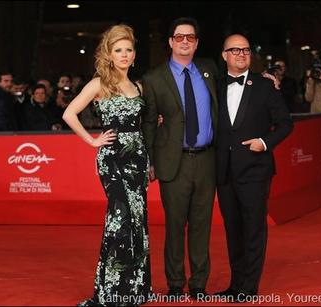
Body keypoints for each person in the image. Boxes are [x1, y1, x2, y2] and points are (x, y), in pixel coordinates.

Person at [62, 24, 152, 306]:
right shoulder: (100, 83)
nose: (124, 55)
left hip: (137, 160)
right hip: (113, 160)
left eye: (128, 50)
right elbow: (69, 113)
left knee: (137, 221)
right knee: (120, 221)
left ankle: (135, 288)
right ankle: (111, 292)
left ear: (134, 55)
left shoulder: (138, 86)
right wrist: (91, 140)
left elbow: (143, 124)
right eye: (118, 50)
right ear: (109, 55)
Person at [141, 17, 218, 299]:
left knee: (202, 225)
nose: (185, 41)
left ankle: (199, 284)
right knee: (174, 226)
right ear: (171, 42)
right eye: (179, 37)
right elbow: (149, 123)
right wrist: (149, 160)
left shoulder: (210, 70)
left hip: (207, 159)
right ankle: (175, 284)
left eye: (191, 37)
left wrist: (264, 77)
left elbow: (237, 81)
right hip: (174, 161)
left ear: (196, 43)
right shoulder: (153, 79)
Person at [214, 33, 293, 301]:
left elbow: (285, 123)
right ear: (224, 55)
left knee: (254, 230)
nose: (241, 54)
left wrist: (264, 141)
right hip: (224, 172)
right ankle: (235, 285)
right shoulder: (213, 85)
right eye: (234, 50)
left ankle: (249, 288)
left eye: (246, 50)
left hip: (255, 170)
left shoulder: (265, 85)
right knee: (233, 230)